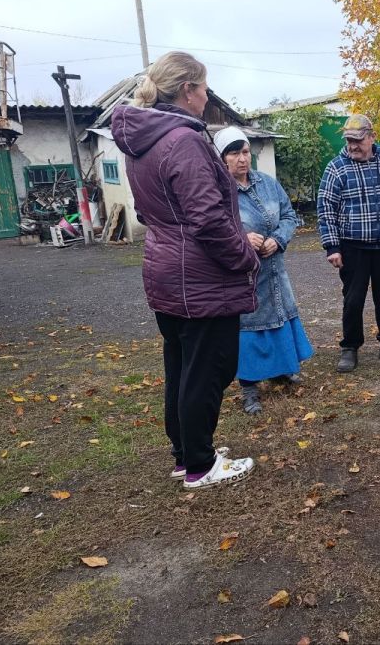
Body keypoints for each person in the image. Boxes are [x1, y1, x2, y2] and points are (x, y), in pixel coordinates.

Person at [112, 51, 258, 489]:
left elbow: (149, 209)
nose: (207, 96)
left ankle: (186, 453)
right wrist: (244, 256)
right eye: (204, 88)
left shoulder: (143, 140)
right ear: (188, 90)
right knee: (210, 367)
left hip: (165, 268)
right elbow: (208, 218)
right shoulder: (183, 140)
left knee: (181, 364)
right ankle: (200, 464)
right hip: (199, 275)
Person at [214, 126, 313, 414]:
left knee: (280, 316)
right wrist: (241, 240)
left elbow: (288, 216)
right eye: (234, 153)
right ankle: (249, 386)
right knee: (249, 327)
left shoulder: (268, 184)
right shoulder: (218, 193)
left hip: (274, 269)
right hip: (242, 277)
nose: (242, 159)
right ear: (222, 159)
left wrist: (278, 239)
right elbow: (211, 230)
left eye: (245, 152)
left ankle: (282, 370)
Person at [317, 114, 380, 373]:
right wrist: (332, 246)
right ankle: (350, 347)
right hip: (352, 247)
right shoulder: (336, 168)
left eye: (358, 140)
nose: (353, 146)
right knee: (353, 298)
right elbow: (326, 209)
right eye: (349, 140)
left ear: (372, 137)